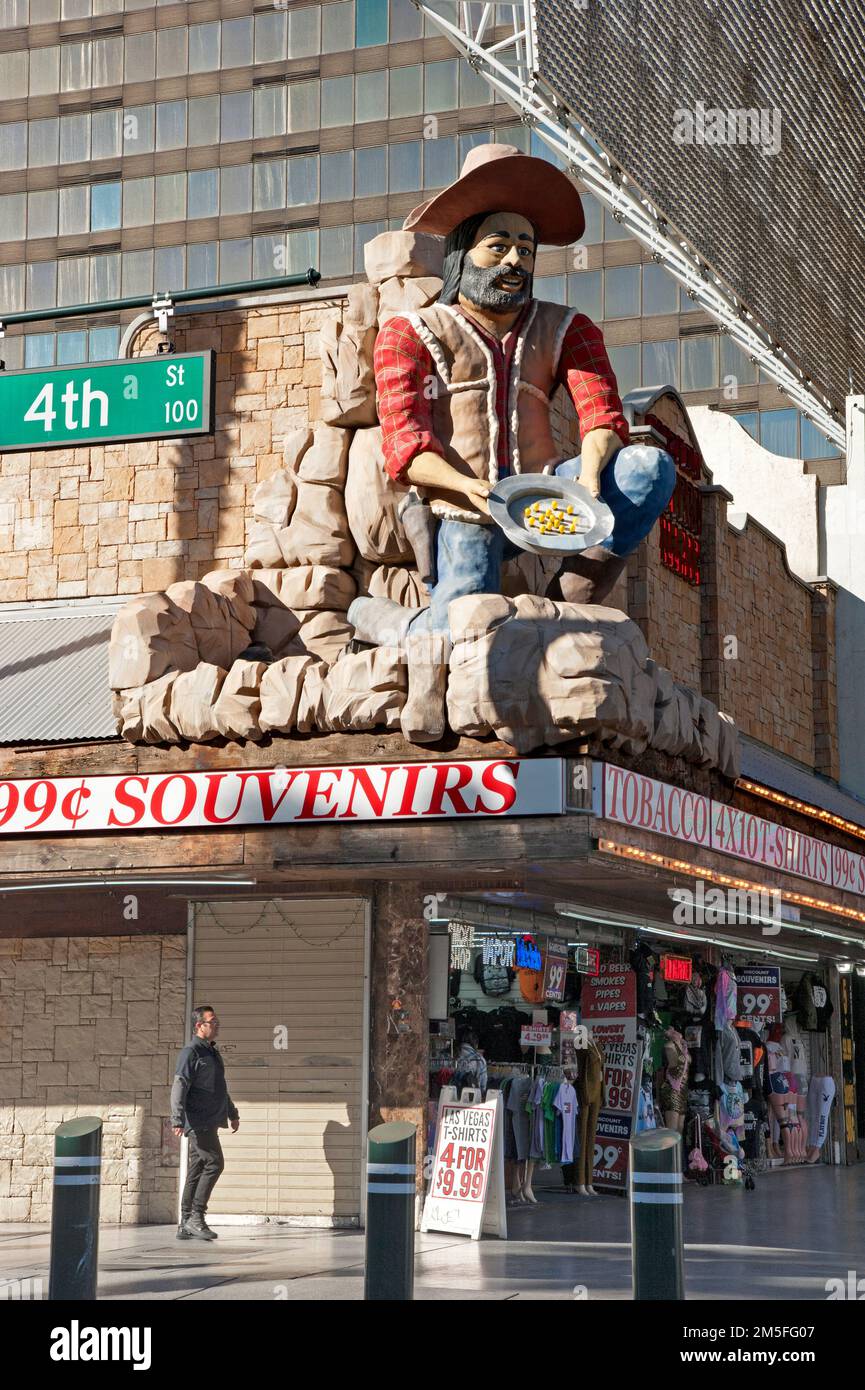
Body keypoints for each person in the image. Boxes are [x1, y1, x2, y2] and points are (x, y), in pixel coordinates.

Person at [348, 142, 675, 739]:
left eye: (526, 249)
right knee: (457, 628)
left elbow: (602, 417)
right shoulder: (412, 331)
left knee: (649, 467)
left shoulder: (567, 327)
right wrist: (472, 489)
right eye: (498, 245)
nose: (515, 261)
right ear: (462, 253)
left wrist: (589, 478)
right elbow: (405, 444)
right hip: (462, 506)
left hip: (546, 496)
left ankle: (563, 598)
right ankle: (385, 621)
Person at [170, 1005, 239, 1241]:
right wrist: (177, 1118)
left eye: (217, 1021)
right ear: (200, 1026)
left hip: (210, 1119)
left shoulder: (210, 1052)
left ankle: (185, 1222)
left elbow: (220, 1086)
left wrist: (232, 1112)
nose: (217, 1025)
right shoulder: (191, 1052)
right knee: (215, 1163)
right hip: (198, 1119)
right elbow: (179, 1085)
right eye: (212, 1021)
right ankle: (196, 1217)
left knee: (198, 1167)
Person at [454, 1029, 488, 1096]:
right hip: (473, 1097)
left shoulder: (453, 1056)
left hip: (452, 1097)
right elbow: (483, 1084)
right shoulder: (479, 1060)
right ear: (475, 1044)